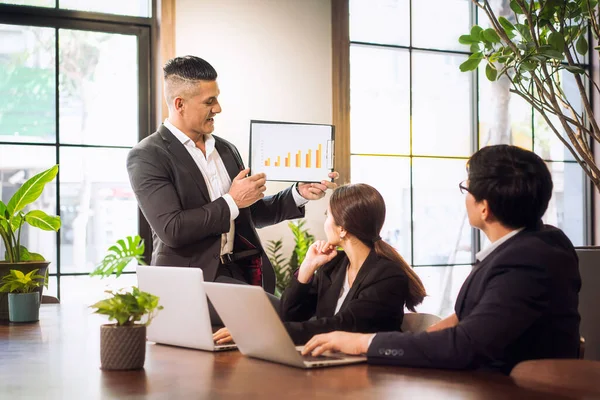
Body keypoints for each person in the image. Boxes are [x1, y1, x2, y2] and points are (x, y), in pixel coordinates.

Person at [301, 145, 581, 374]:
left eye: (467, 189)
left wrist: (365, 343)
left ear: (485, 208)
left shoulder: (526, 262)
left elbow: (467, 345)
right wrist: (414, 341)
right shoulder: (530, 245)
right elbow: (465, 319)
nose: (465, 197)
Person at [127, 55, 337, 299]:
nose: (218, 108)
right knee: (279, 315)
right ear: (179, 104)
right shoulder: (147, 156)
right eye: (210, 101)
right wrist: (232, 201)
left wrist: (298, 193)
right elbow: (172, 229)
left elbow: (252, 213)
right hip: (188, 284)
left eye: (217, 98)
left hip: (241, 273)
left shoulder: (226, 150)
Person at [214, 183, 426, 345]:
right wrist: (307, 268)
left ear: (342, 229)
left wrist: (261, 333)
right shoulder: (334, 266)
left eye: (328, 216)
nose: (325, 223)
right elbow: (290, 315)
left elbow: (343, 325)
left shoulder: (387, 275)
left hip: (371, 373)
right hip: (331, 363)